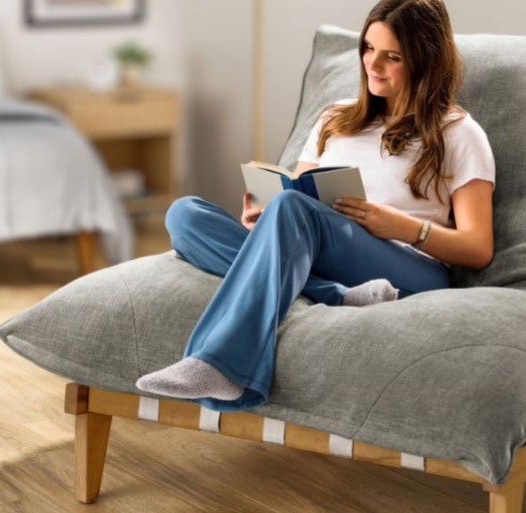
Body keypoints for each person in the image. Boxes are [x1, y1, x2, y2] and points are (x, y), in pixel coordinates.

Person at [136, 0, 496, 411]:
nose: (372, 65)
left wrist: (400, 226)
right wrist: (262, 216)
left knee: (291, 209)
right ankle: (337, 295)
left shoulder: (459, 134)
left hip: (410, 265)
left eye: (392, 57)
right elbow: (297, 191)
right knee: (185, 215)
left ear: (425, 61)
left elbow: (478, 247)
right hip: (325, 255)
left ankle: (221, 366)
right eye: (368, 49)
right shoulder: (335, 119)